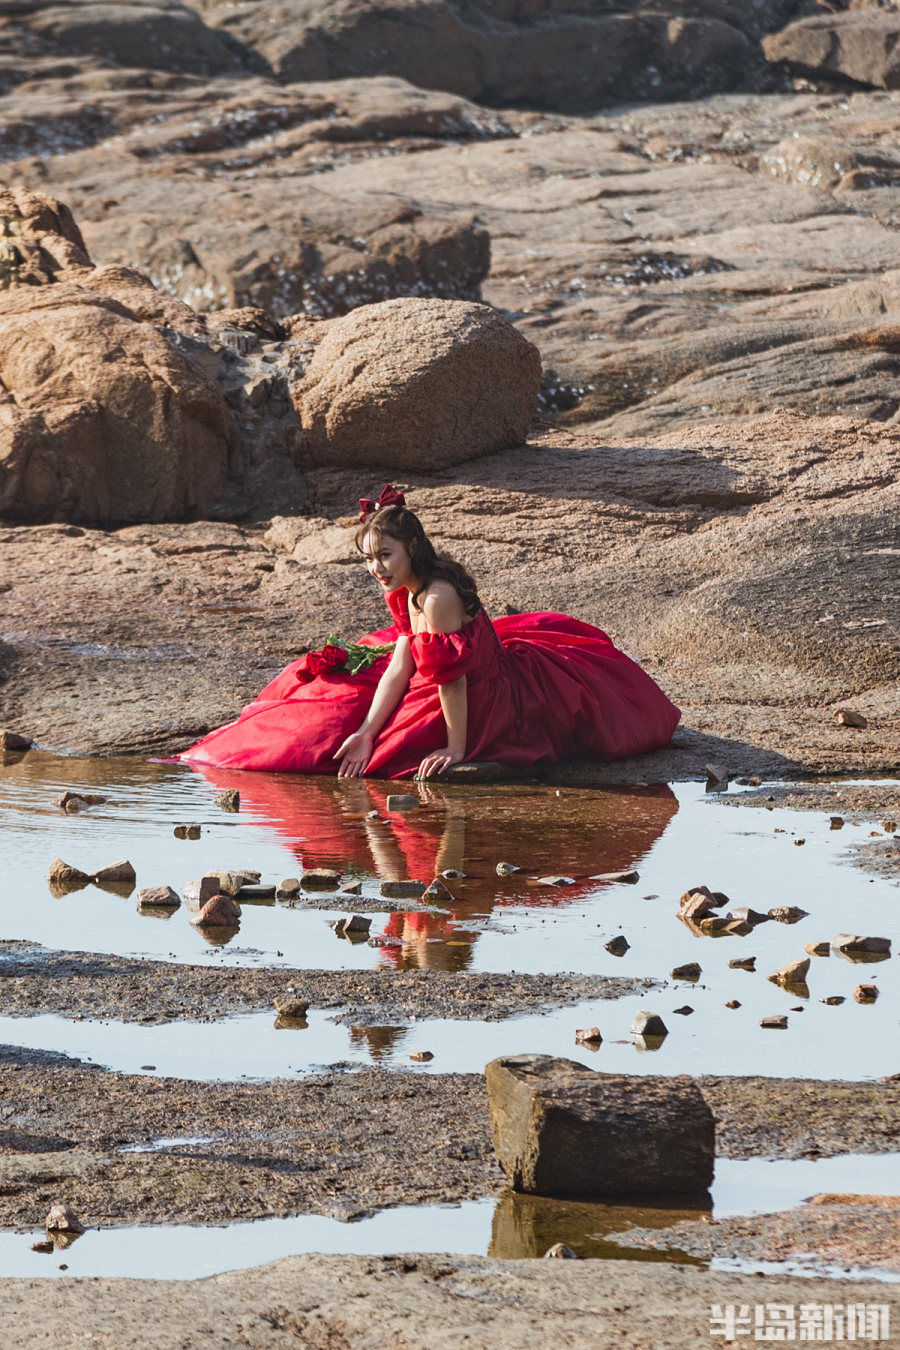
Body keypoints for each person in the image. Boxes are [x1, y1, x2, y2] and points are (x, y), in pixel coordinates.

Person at [177, 486, 680, 779]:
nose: (377, 568)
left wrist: (457, 751)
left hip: (483, 695)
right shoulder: (402, 587)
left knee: (368, 749)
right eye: (368, 558)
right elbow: (401, 661)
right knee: (344, 708)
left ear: (413, 546)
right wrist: (367, 731)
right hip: (440, 678)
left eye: (385, 556)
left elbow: (452, 682)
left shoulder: (437, 597)